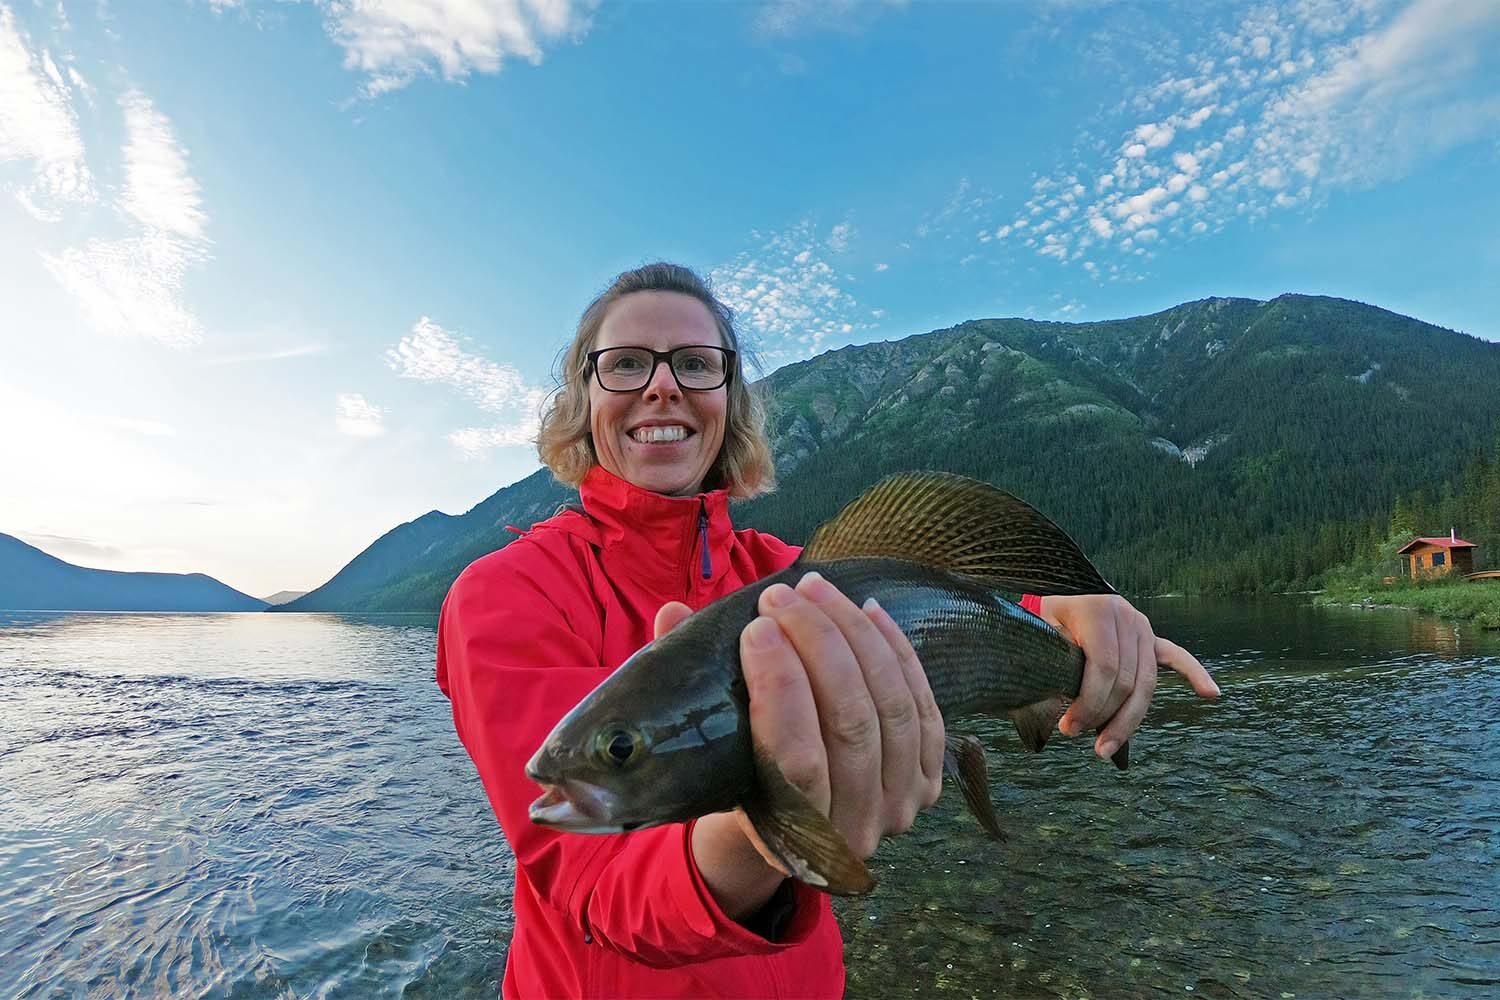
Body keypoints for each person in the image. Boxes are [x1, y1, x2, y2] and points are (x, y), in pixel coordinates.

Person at [435, 262, 1219, 999]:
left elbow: (939, 606)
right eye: (628, 363)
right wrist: (764, 838)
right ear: (583, 395)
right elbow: (589, 883)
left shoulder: (792, 571)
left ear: (730, 398)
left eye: (697, 364)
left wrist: (1070, 619)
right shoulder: (503, 595)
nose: (663, 387)